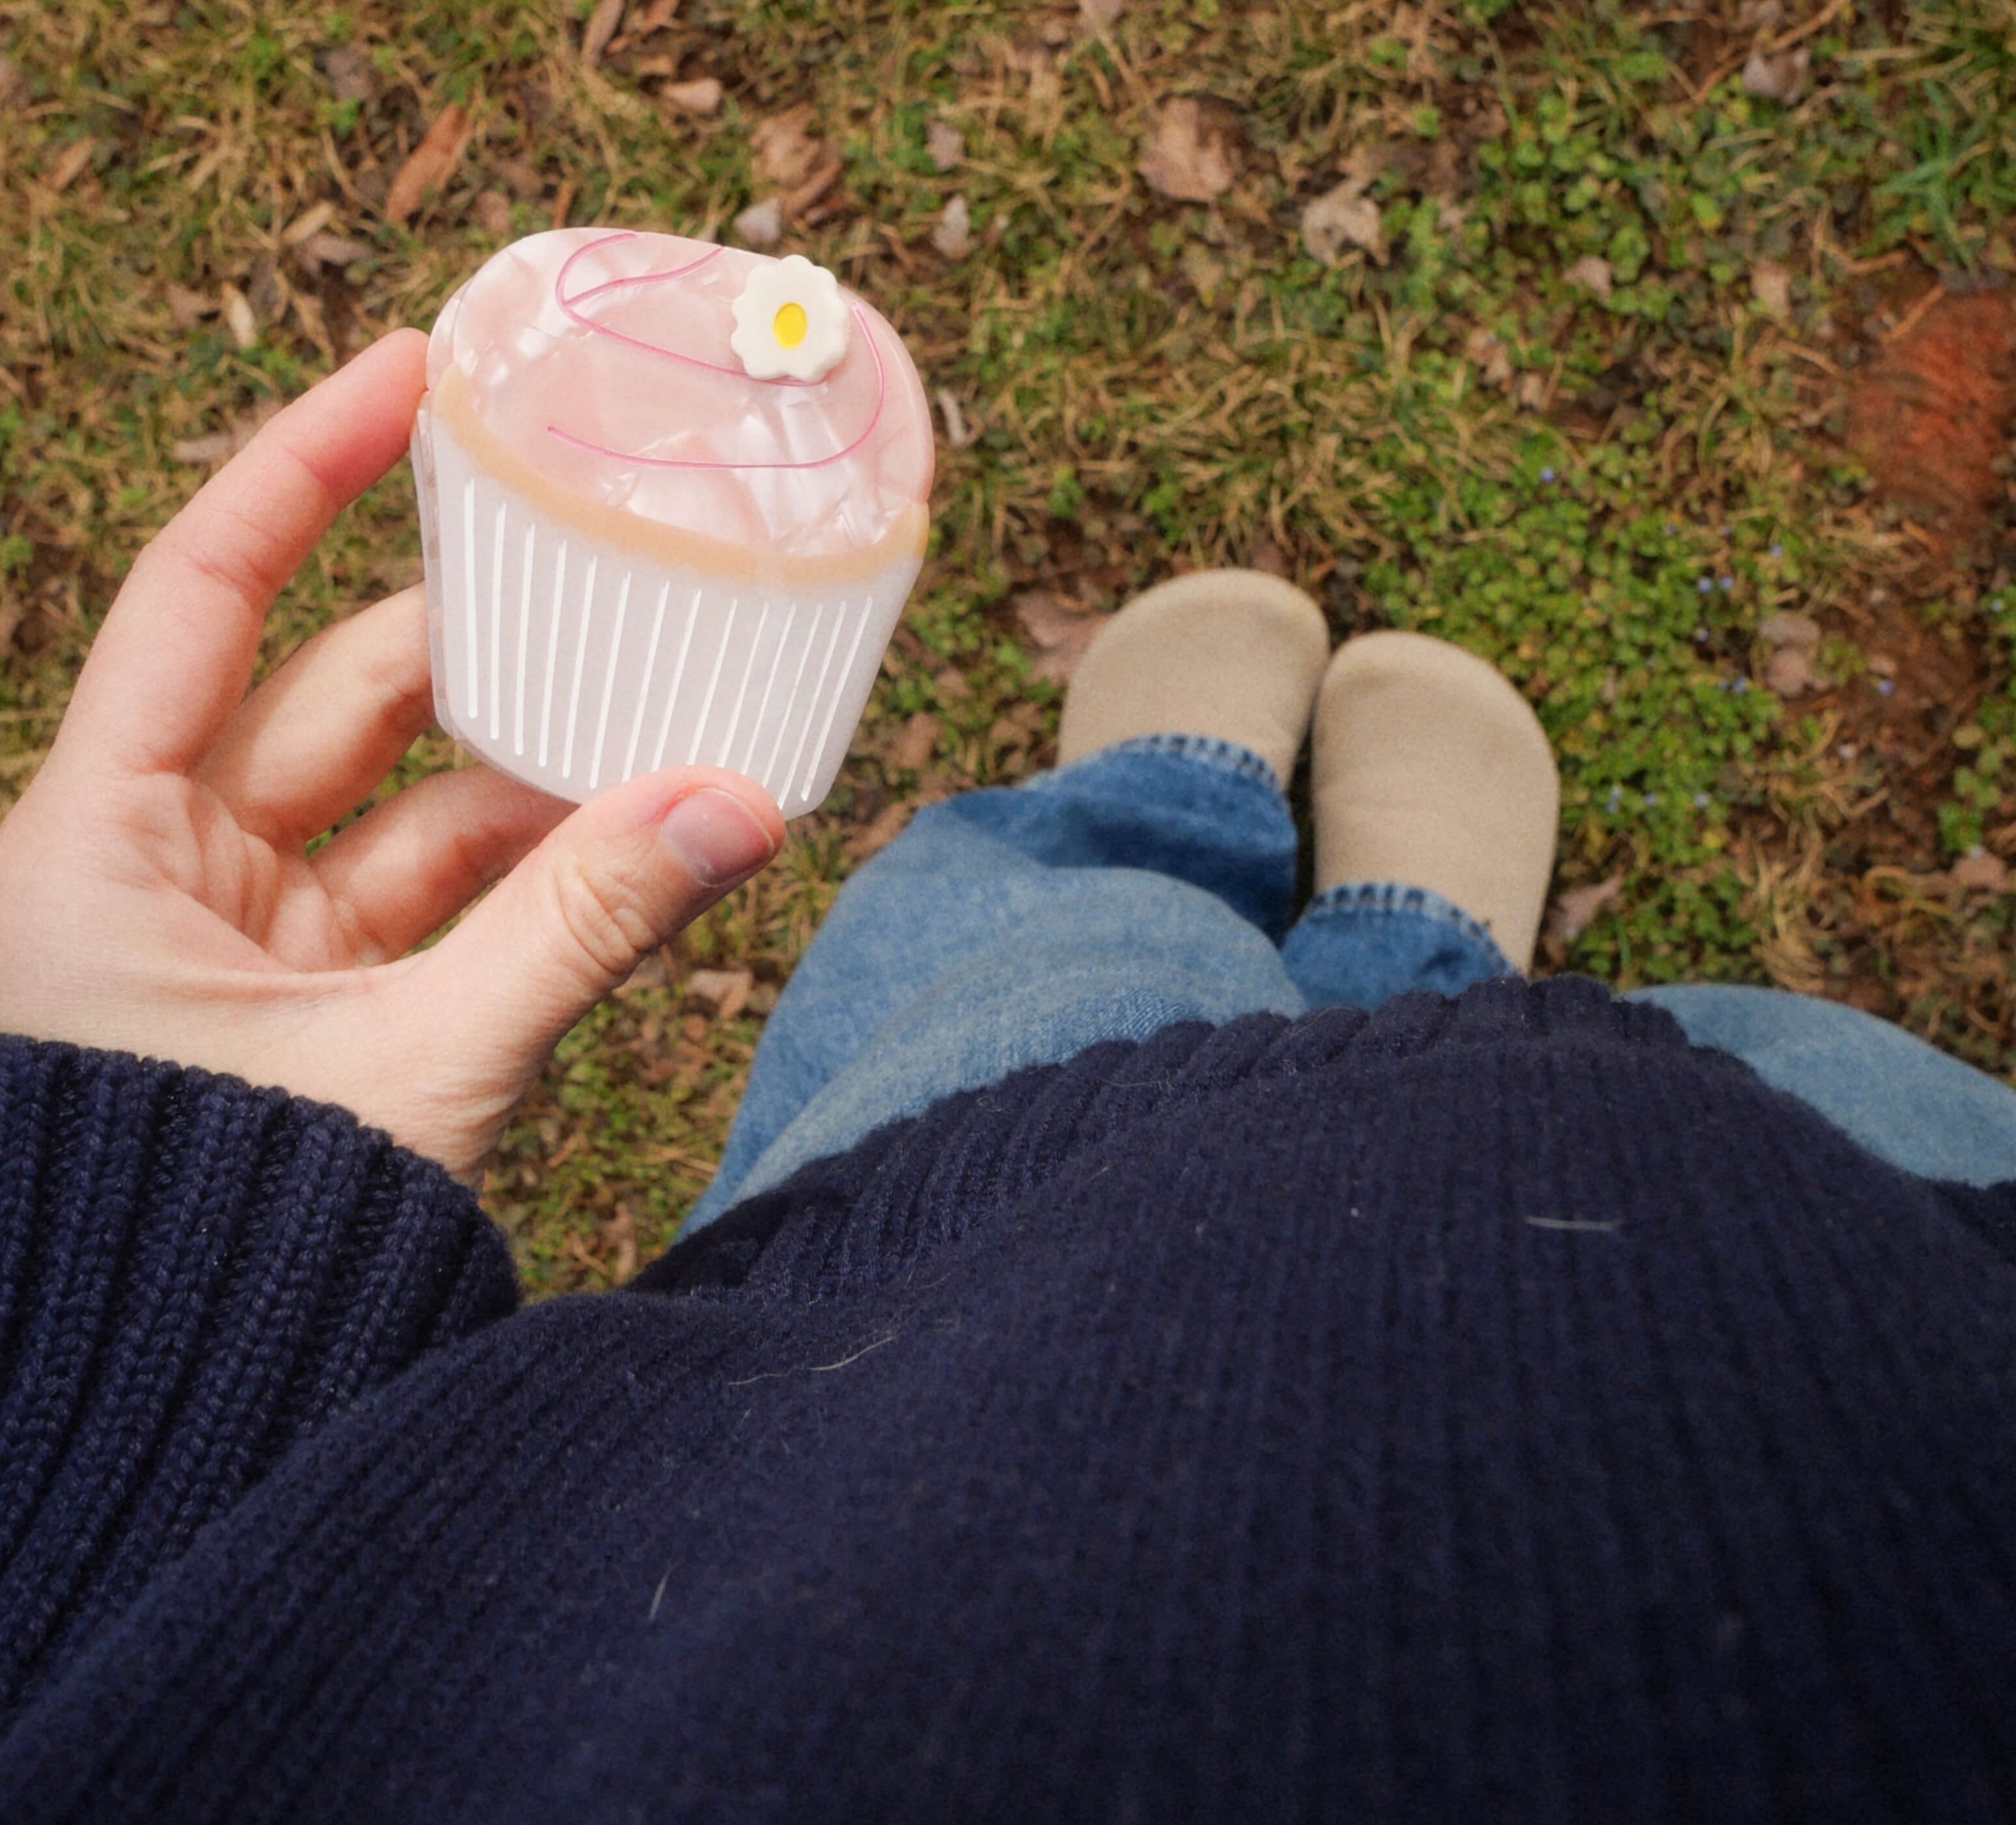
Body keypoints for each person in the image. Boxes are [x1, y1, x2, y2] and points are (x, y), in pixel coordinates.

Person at [1, 334, 2014, 1823]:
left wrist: (159, 1214)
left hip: (920, 1316)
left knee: (1049, 934)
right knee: (1768, 1072)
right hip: (1887, 1285)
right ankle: (1420, 947)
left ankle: (1153, 804)